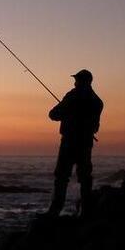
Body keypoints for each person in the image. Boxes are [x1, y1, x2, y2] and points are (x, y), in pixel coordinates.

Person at [45, 69, 103, 216]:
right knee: (85, 176)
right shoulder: (97, 101)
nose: (74, 82)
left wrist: (65, 114)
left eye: (76, 79)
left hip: (69, 142)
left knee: (62, 176)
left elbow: (53, 114)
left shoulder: (72, 96)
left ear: (81, 81)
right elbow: (95, 127)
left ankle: (55, 210)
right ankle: (86, 210)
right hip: (86, 142)